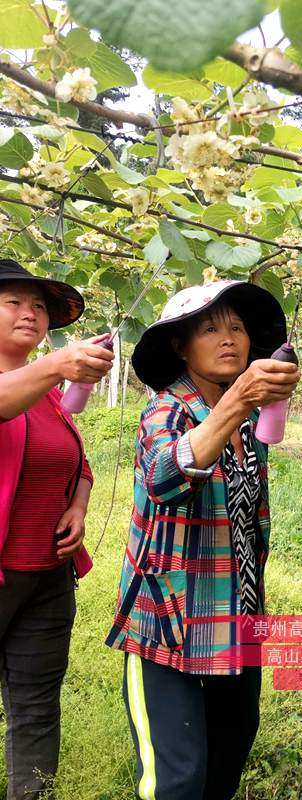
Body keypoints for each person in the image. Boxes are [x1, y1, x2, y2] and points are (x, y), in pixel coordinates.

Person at [105, 279, 300, 800]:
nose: (228, 338)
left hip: (236, 620)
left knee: (227, 757)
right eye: (210, 329)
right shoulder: (166, 412)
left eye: (236, 327)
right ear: (179, 346)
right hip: (169, 626)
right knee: (178, 779)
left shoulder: (254, 424)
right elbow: (168, 479)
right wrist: (236, 401)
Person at [0, 258, 113, 799]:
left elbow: (76, 459)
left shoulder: (47, 391)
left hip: (47, 574)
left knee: (37, 705)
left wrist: (79, 504)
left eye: (39, 306)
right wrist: (58, 364)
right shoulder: (39, 379)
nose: (31, 312)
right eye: (14, 302)